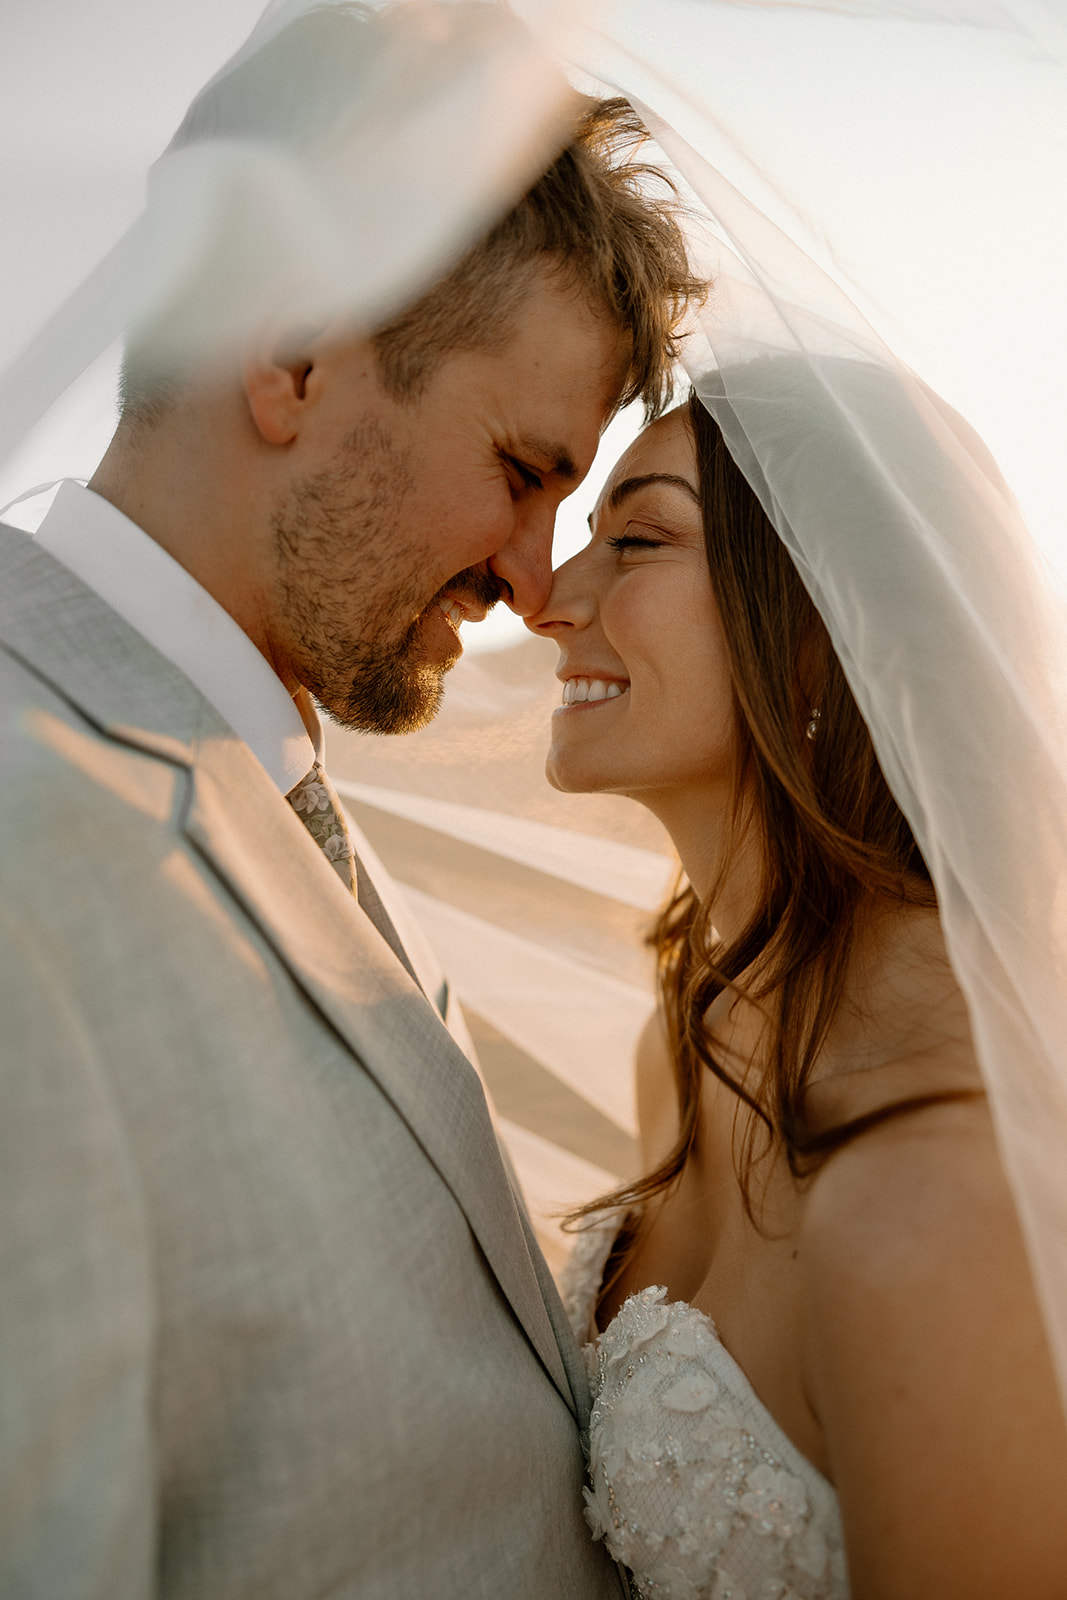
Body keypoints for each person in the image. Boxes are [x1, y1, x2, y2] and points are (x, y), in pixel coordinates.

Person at [0, 6, 702, 1595]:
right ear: (291, 354)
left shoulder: (269, 787)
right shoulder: (26, 861)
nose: (538, 581)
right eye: (523, 471)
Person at [528, 390, 1067, 1597]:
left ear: (824, 627)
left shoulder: (939, 1188)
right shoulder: (688, 1037)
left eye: (638, 539)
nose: (547, 596)